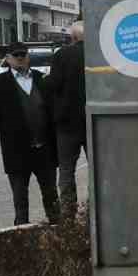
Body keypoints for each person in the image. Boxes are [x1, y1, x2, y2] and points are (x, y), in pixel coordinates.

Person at [0, 45, 59, 225]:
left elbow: (54, 111)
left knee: (51, 195)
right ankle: (22, 235)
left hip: (44, 149)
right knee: (20, 199)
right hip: (16, 151)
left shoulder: (42, 79)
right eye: (16, 55)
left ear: (28, 57)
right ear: (8, 58)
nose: (21, 58)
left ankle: (58, 233)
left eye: (24, 55)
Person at [51, 22, 88, 215]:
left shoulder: (61, 55)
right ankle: (98, 210)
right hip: (94, 121)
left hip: (67, 124)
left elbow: (53, 85)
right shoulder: (98, 55)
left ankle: (68, 215)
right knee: (99, 168)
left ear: (72, 38)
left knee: (66, 171)